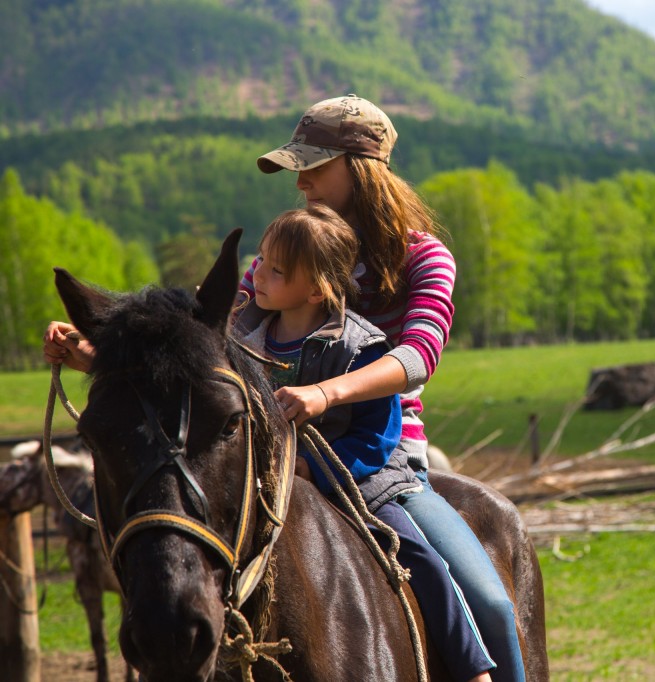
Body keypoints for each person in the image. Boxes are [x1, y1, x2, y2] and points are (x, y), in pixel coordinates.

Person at [45, 205, 496, 682]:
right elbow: (185, 382)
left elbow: (378, 437)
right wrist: (96, 357)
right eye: (260, 261)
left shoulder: (358, 346)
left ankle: (473, 669)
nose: (257, 275)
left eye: (276, 270)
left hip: (360, 482)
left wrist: (315, 469)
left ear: (318, 286)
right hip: (274, 479)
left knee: (416, 555)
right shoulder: (247, 337)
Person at [244, 94, 526, 682]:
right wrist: (98, 351)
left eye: (314, 167)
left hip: (381, 463)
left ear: (361, 167)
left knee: (494, 604)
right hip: (273, 459)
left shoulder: (426, 258)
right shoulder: (287, 255)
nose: (302, 184)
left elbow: (418, 356)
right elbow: (215, 328)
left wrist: (327, 394)